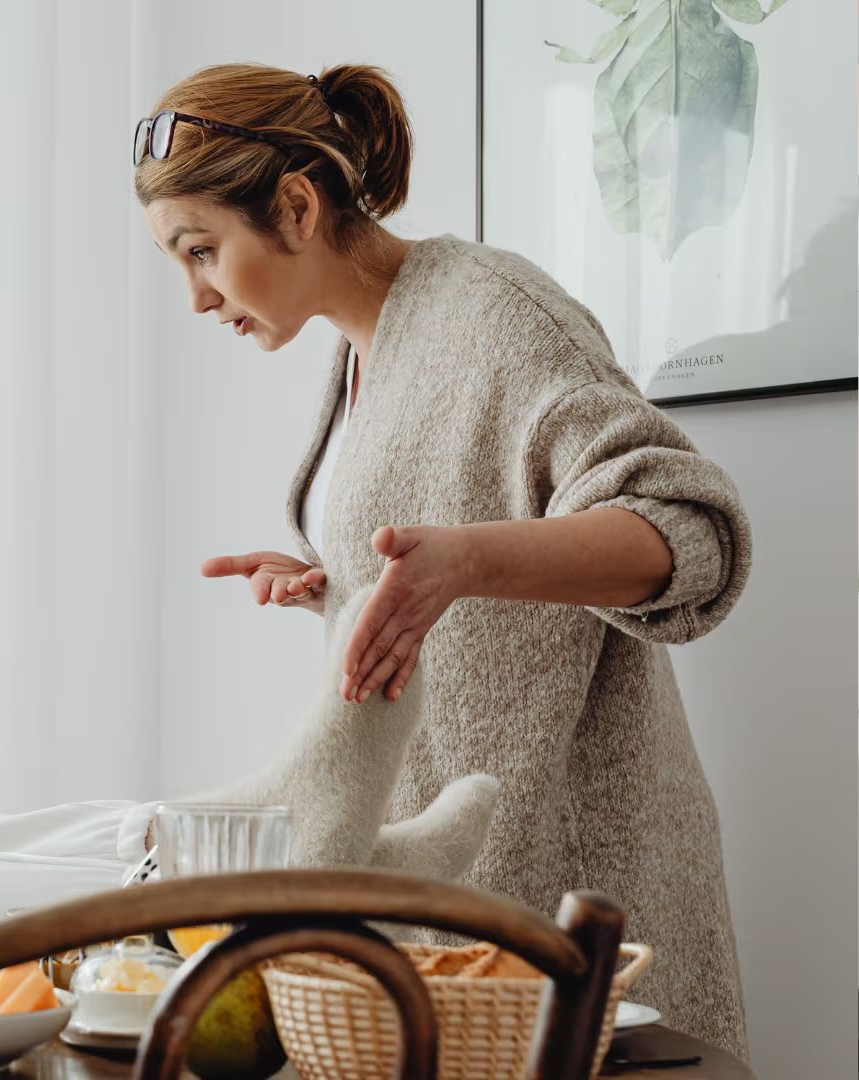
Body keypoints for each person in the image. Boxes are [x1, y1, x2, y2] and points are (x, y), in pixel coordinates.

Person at [134, 63, 753, 1054]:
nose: (197, 298)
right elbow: (453, 548)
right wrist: (335, 587)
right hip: (450, 907)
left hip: (575, 889)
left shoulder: (495, 313)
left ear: (295, 206)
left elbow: (690, 535)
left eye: (200, 251)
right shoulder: (360, 352)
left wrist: (463, 563)